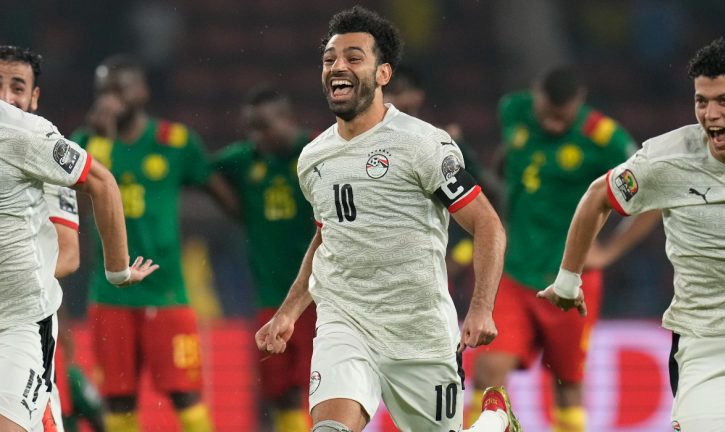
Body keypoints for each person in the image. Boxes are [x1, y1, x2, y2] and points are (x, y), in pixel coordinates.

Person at [255, 6, 521, 432]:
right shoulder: (313, 159)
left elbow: (488, 224)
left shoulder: (423, 145)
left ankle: (493, 421)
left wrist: (481, 309)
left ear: (383, 74)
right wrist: (289, 312)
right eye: (329, 59)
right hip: (346, 322)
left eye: (353, 57)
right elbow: (328, 237)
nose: (337, 67)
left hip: (418, 332)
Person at [539, 38, 725, 431]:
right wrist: (568, 279)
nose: (710, 114)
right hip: (703, 338)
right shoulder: (669, 158)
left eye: (724, 101)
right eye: (701, 101)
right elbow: (598, 197)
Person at [468, 66, 660, 431]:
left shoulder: (605, 138)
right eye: (547, 115)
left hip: (572, 282)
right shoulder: (513, 110)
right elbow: (511, 163)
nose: (554, 125)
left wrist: (609, 252)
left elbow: (652, 197)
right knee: (488, 374)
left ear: (580, 103)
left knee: (568, 385)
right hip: (515, 272)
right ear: (536, 97)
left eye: (563, 118)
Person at [70, 54, 236, 432]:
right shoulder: (85, 143)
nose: (111, 99)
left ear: (142, 91)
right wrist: (98, 141)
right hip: (110, 295)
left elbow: (222, 194)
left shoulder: (175, 142)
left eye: (120, 89)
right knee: (118, 399)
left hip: (167, 293)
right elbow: (75, 209)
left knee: (186, 396)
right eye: (104, 91)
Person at [0, 96, 157, 431]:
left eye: (18, 85)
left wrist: (118, 271)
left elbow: (101, 182)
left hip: (16, 322)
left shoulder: (21, 133)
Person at [0, 44, 107, 432]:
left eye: (17, 87)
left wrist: (19, 275)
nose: (7, 98)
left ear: (34, 97)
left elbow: (68, 255)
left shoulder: (46, 154)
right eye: (0, 86)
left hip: (26, 318)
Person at [212, 87, 316, 432]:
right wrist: (235, 208)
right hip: (270, 298)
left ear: (288, 121)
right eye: (251, 129)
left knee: (322, 387)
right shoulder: (245, 160)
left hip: (321, 297)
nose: (257, 137)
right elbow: (202, 171)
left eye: (264, 127)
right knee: (280, 393)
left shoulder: (318, 154)